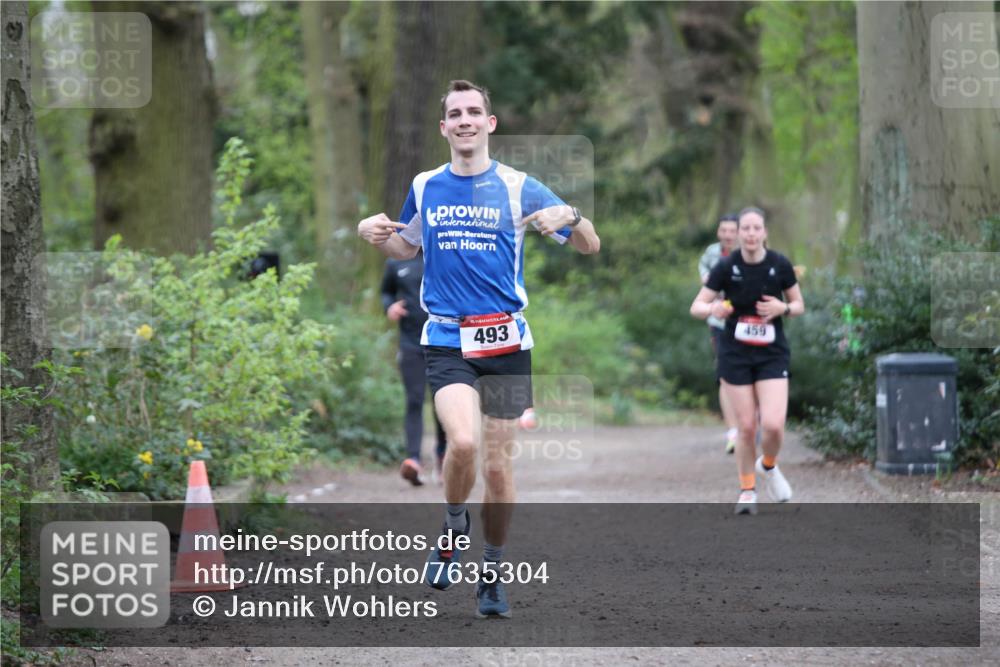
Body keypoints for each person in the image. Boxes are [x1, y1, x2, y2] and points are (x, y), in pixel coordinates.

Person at [358, 79, 600, 617]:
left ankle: (491, 572)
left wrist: (574, 217)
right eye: (454, 113)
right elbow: (404, 244)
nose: (464, 120)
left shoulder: (520, 186)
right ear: (443, 127)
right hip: (445, 337)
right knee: (462, 444)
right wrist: (373, 233)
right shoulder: (425, 186)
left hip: (507, 342)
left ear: (489, 124)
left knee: (498, 468)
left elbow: (591, 245)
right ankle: (452, 526)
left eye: (474, 112)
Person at [689, 206, 804, 515]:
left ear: (764, 232)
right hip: (735, 353)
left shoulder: (779, 264)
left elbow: (798, 304)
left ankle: (768, 465)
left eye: (757, 228)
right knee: (746, 426)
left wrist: (783, 308)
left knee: (773, 426)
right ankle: (747, 490)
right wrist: (714, 309)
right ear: (737, 234)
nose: (751, 234)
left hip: (771, 353)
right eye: (746, 229)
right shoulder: (726, 266)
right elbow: (696, 306)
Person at [381, 252, 447, 486]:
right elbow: (386, 292)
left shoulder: (442, 251)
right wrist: (390, 307)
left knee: (443, 404)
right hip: (411, 344)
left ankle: (442, 456)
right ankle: (414, 461)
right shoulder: (396, 260)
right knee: (414, 400)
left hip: (443, 343)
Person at [698, 214, 740, 453]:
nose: (727, 235)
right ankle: (732, 431)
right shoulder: (712, 253)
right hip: (719, 322)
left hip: (746, 321)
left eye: (731, 231)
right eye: (723, 230)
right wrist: (708, 282)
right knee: (724, 373)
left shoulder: (750, 254)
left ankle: (749, 425)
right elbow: (703, 271)